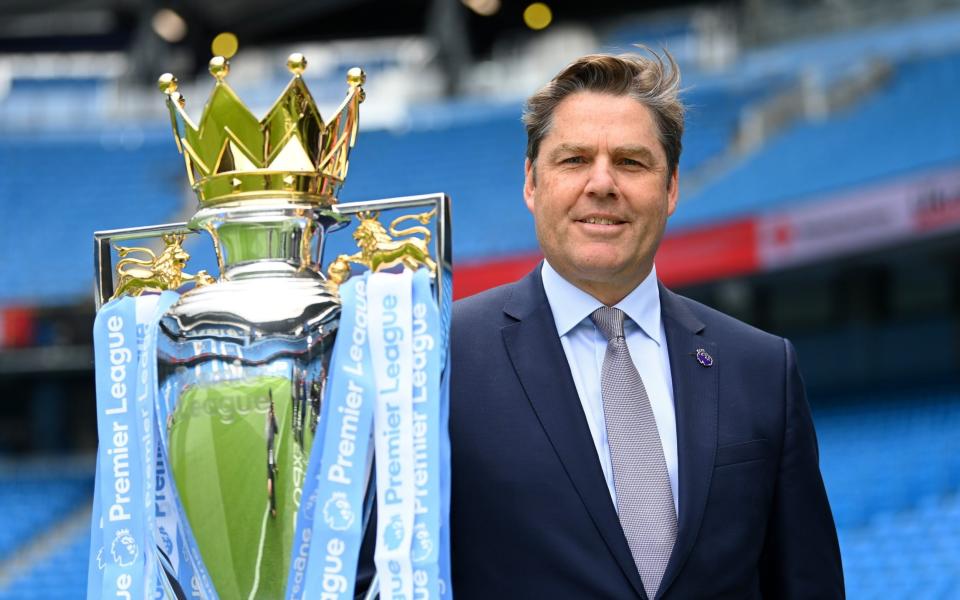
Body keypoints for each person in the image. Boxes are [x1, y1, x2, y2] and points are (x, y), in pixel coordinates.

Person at [449, 51, 844, 599]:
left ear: (672, 188)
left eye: (632, 162)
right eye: (574, 160)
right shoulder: (445, 360)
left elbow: (807, 584)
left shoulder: (762, 368)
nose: (602, 183)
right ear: (531, 184)